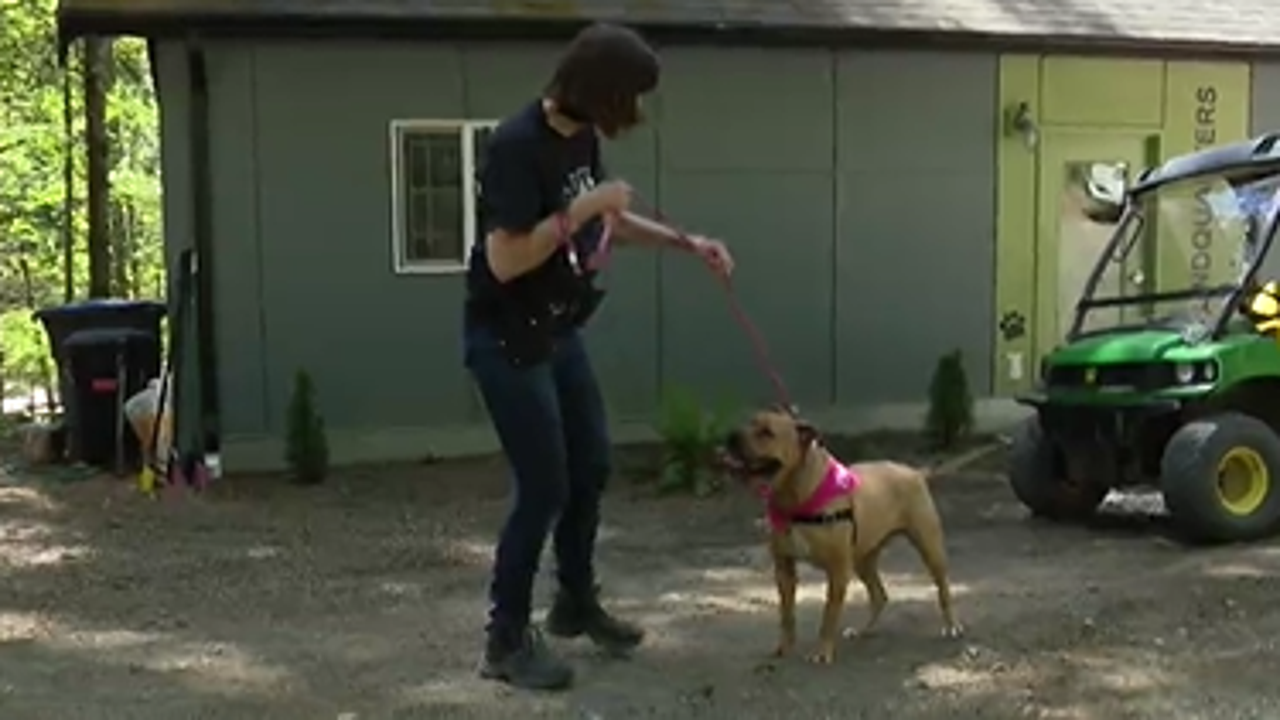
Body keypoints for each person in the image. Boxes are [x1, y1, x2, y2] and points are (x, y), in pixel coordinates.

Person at [463, 22, 734, 691]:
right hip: (507, 339)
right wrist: (582, 208)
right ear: (599, 89)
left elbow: (607, 218)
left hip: (559, 331)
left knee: (591, 465)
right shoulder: (515, 146)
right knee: (543, 487)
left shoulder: (580, 137)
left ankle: (575, 602)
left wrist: (688, 243)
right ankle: (504, 640)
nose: (635, 111)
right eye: (630, 96)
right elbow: (504, 260)